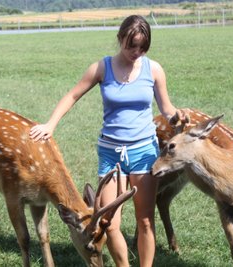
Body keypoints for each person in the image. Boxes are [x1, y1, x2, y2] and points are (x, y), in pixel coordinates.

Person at [30, 15, 185, 267]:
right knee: (109, 223)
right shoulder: (102, 68)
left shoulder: (153, 69)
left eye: (142, 47)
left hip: (143, 151)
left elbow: (166, 108)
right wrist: (50, 124)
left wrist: (177, 117)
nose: (136, 52)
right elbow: (72, 95)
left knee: (145, 219)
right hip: (111, 153)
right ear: (120, 39)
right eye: (130, 45)